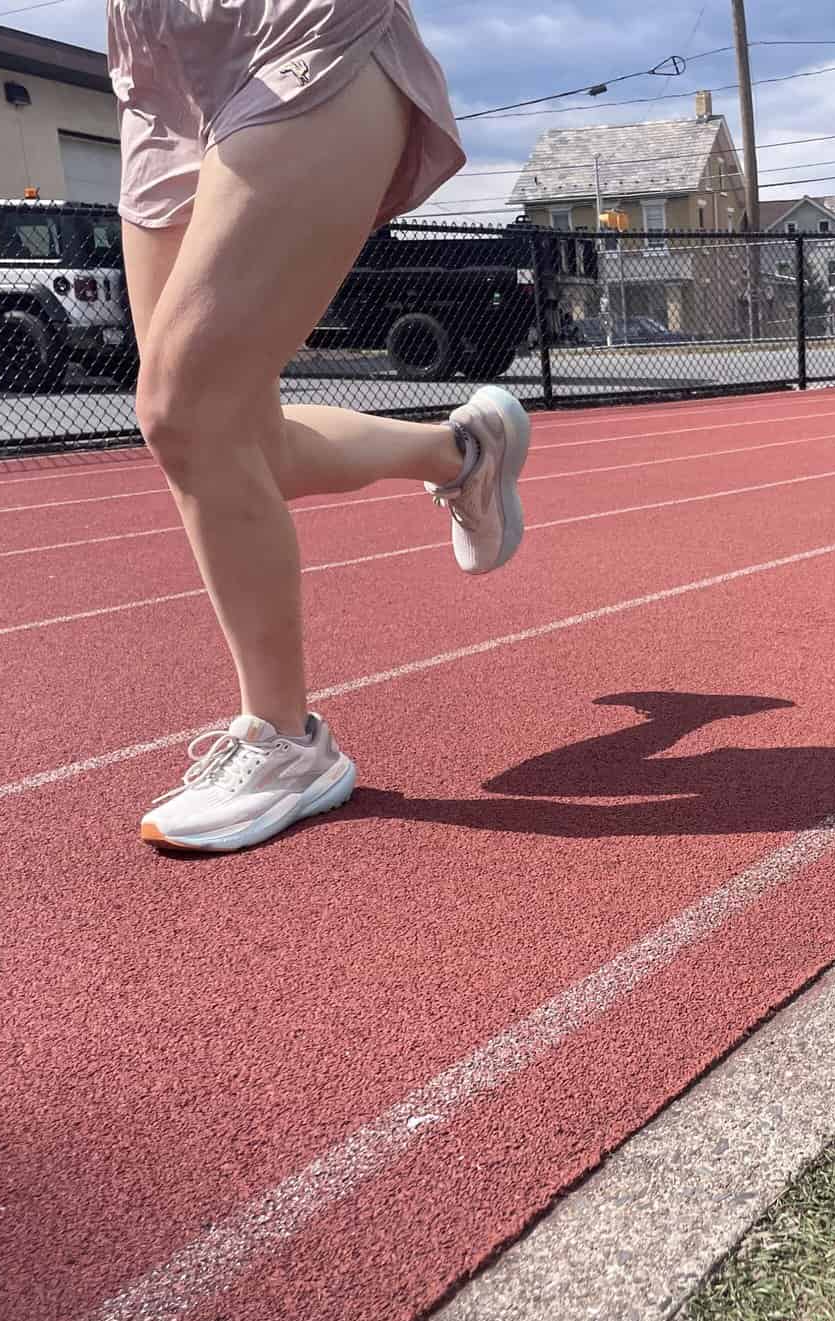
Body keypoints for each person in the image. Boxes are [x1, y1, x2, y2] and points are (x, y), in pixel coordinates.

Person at [106, 0, 530, 853]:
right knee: (228, 438)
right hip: (157, 64)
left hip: (299, 25)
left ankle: (285, 741)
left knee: (186, 411)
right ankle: (460, 450)